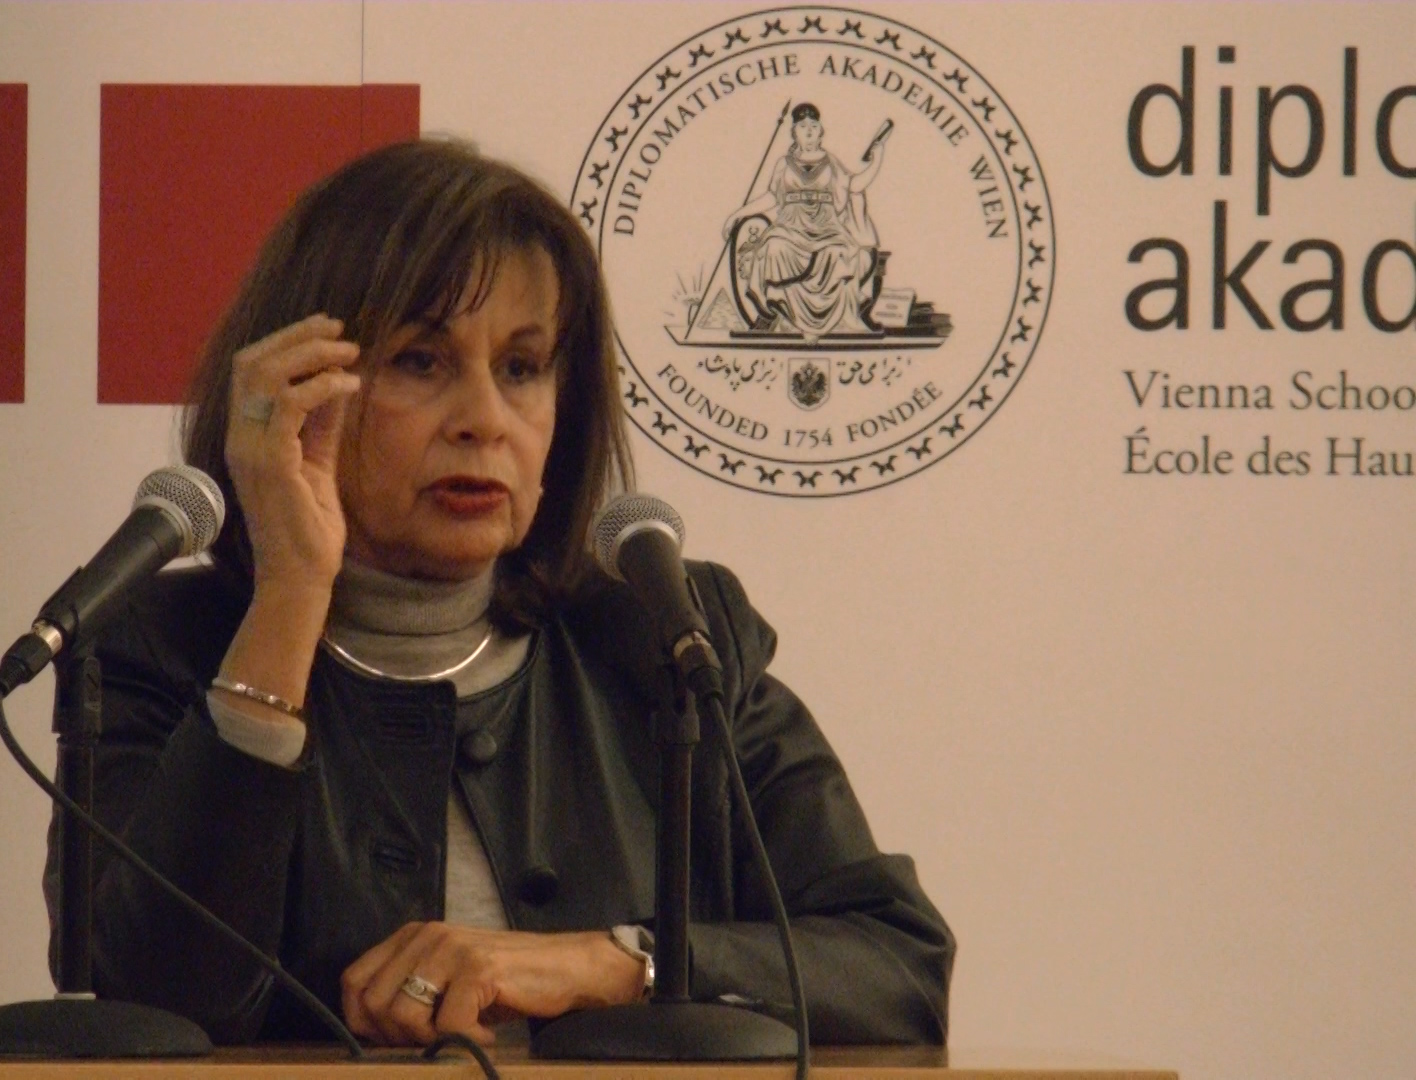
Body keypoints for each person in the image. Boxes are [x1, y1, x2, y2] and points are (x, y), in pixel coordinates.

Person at [47, 139, 952, 1048]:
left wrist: (614, 963)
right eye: (420, 361)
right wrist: (289, 591)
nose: (484, 420)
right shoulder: (158, 648)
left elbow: (896, 964)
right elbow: (154, 1008)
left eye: (521, 368)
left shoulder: (666, 640)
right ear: (301, 391)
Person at [722, 103, 890, 339]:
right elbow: (772, 196)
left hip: (826, 228)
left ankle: (832, 319)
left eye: (813, 126)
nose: (809, 130)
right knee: (774, 247)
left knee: (839, 252)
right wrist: (738, 214)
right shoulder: (783, 164)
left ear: (821, 131)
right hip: (790, 227)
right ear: (794, 133)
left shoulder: (831, 162)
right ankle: (777, 313)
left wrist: (877, 159)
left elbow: (854, 185)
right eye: (802, 126)